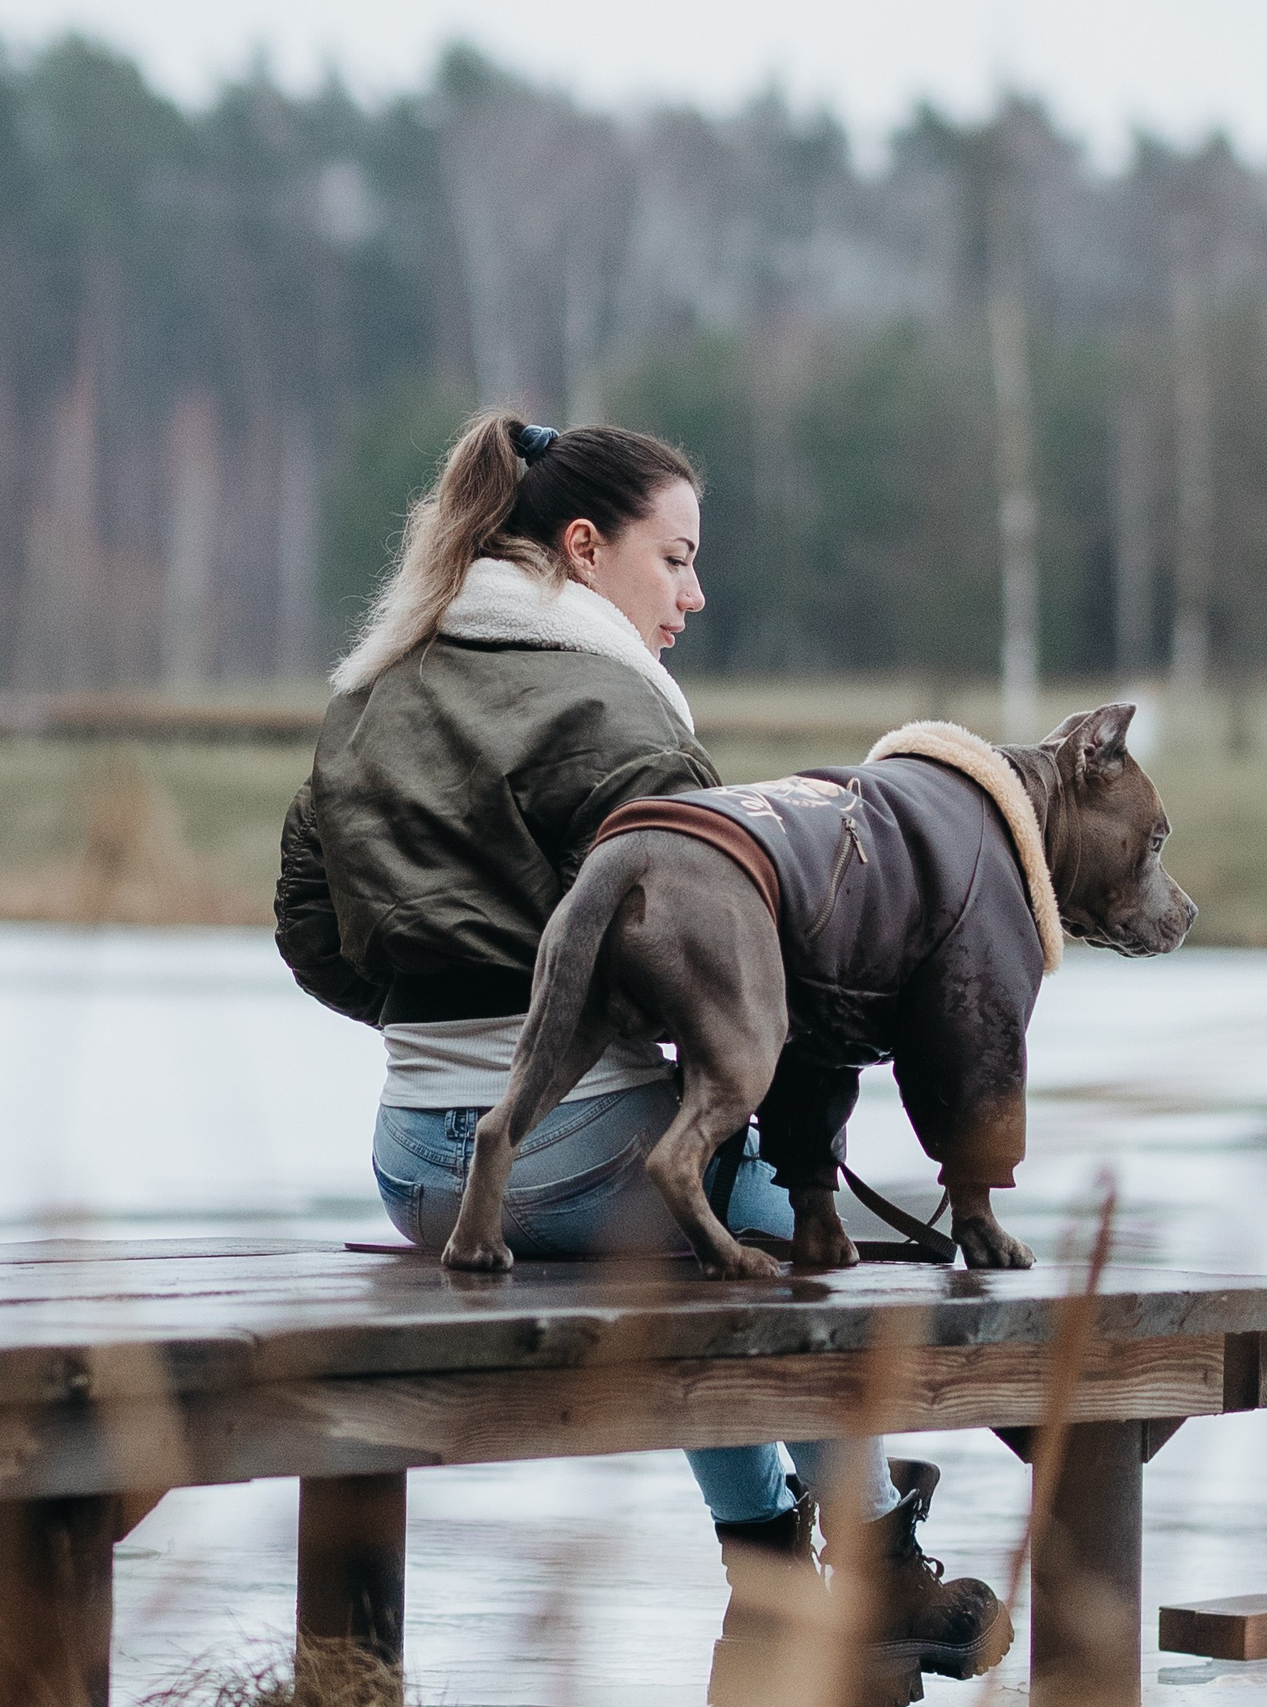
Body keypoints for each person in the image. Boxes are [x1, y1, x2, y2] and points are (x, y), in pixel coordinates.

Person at [273, 412, 1008, 1700]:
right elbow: (716, 952)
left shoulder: (373, 682)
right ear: (582, 548)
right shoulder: (620, 715)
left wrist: (442, 1029)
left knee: (696, 1236)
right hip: (573, 1163)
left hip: (406, 1165)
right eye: (673, 558)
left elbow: (310, 933)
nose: (694, 592)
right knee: (777, 1213)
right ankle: (883, 1562)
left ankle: (770, 1561)